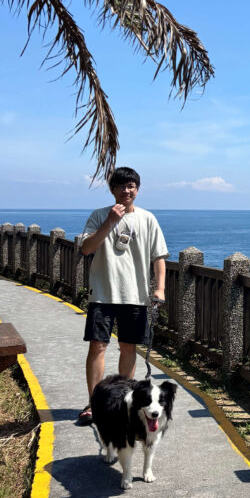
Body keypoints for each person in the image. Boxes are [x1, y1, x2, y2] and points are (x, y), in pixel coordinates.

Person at [77, 167, 169, 424]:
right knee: (98, 346)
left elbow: (158, 256)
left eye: (131, 186)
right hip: (103, 293)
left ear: (137, 190)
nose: (126, 191)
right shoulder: (98, 216)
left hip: (135, 295)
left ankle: (124, 400)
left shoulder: (148, 219)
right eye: (121, 186)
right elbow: (86, 249)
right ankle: (95, 404)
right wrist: (109, 222)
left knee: (129, 347)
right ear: (112, 190)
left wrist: (159, 288)